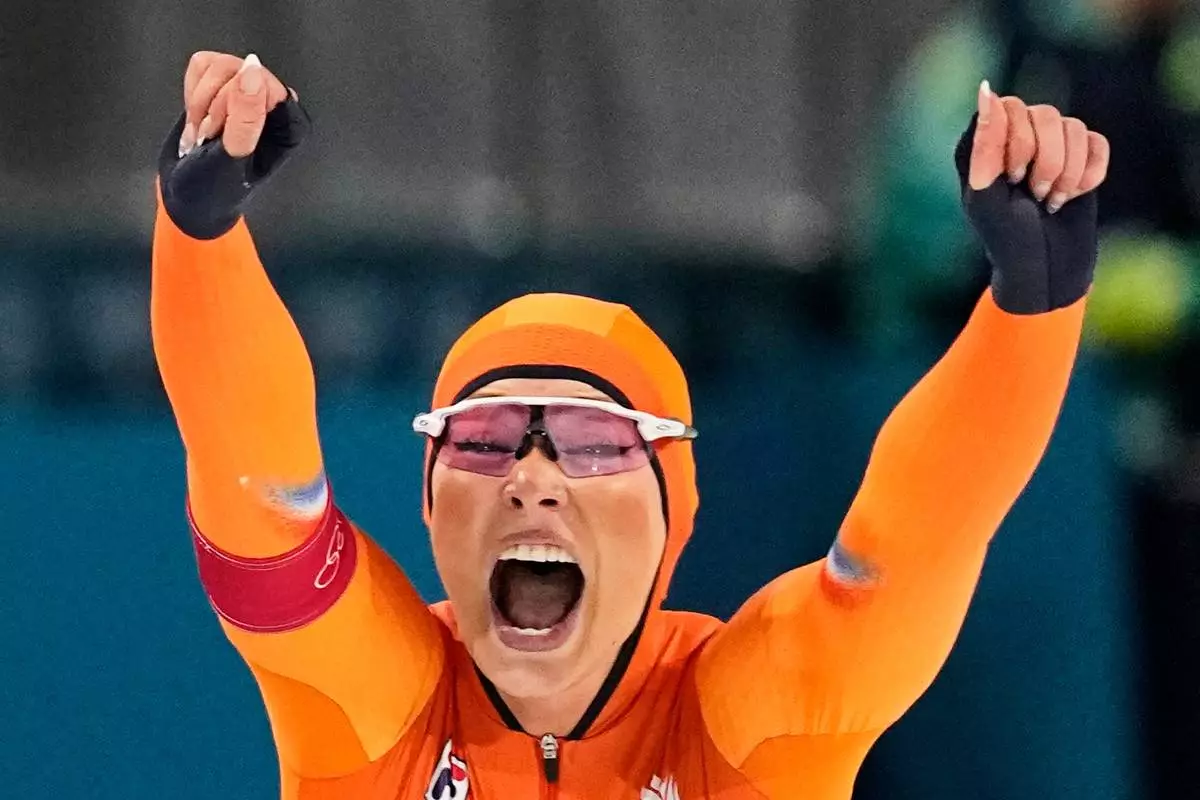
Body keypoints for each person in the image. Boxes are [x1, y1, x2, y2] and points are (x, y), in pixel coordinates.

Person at [152, 51, 1110, 799]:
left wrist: (1033, 309)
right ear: (432, 506)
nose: (532, 476)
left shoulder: (748, 721)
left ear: (671, 516)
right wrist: (200, 237)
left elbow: (911, 548)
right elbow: (262, 493)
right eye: (484, 441)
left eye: (592, 441)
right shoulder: (374, 705)